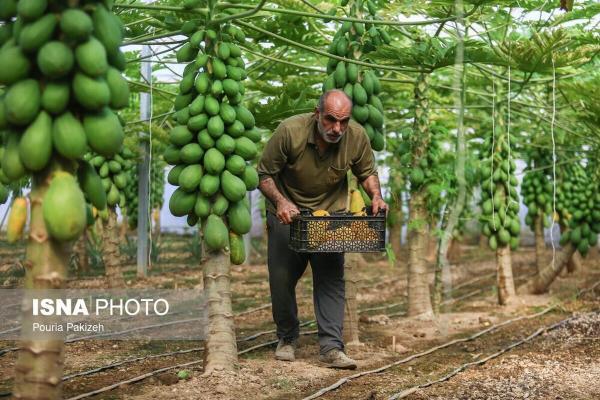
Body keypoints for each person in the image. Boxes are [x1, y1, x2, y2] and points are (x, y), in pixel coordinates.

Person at [257, 89, 387, 369]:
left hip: (329, 216)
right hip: (287, 214)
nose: (336, 128)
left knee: (330, 279)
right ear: (317, 114)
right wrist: (281, 202)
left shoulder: (356, 137)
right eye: (330, 120)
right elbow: (264, 175)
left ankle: (331, 347)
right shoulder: (289, 132)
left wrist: (375, 195)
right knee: (281, 278)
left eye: (343, 121)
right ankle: (288, 338)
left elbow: (367, 172)